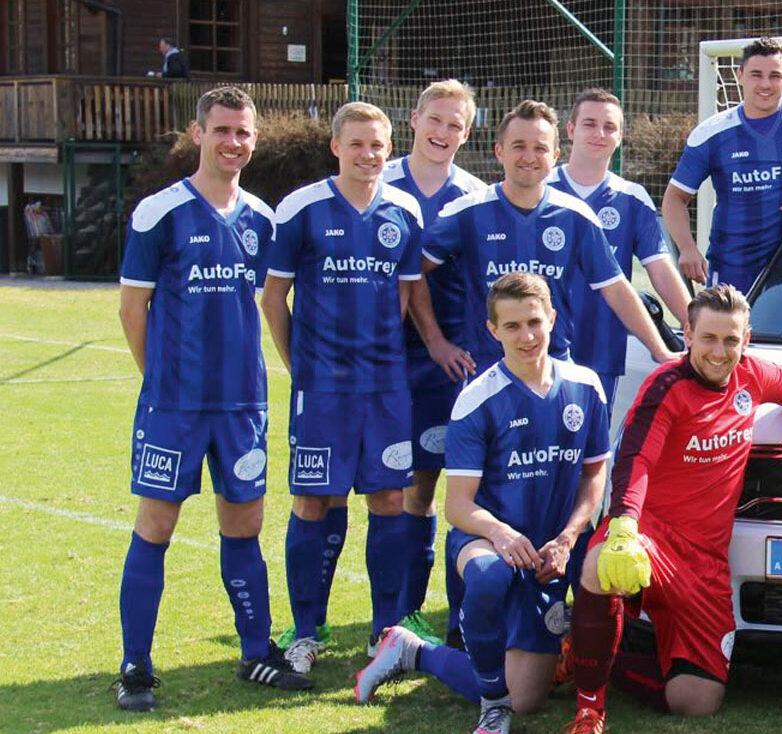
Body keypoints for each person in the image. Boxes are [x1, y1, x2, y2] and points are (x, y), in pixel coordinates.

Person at [112, 86, 307, 711]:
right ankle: (136, 666)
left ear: (254, 139)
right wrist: (158, 380)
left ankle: (255, 652)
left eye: (243, 132)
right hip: (174, 406)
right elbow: (132, 309)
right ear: (198, 133)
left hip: (242, 404)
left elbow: (272, 301)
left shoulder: (262, 219)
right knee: (156, 526)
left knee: (244, 525)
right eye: (222, 130)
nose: (233, 142)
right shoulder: (160, 213)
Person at [561, 284, 782, 733]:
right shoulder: (666, 387)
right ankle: (590, 710)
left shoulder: (752, 375)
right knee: (599, 563)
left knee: (697, 701)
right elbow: (635, 460)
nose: (719, 352)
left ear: (746, 340)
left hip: (706, 562)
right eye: (708, 338)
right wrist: (624, 528)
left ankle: (586, 653)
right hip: (652, 536)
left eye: (730, 340)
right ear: (687, 335)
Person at [354, 273, 612, 734]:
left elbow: (594, 475)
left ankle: (412, 650)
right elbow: (458, 507)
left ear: (552, 319)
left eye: (534, 322)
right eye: (512, 326)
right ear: (493, 331)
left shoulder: (585, 387)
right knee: (491, 576)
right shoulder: (477, 400)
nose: (527, 336)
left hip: (554, 547)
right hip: (487, 540)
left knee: (527, 699)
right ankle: (492, 706)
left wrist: (569, 537)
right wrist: (502, 534)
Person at [261, 101, 425, 672]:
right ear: (335, 147)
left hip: (385, 389)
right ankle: (306, 632)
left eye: (377, 144)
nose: (367, 154)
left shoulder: (404, 210)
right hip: (323, 390)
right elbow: (273, 299)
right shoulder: (301, 208)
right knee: (312, 500)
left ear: (390, 148)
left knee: (389, 499)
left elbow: (403, 294)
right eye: (356, 143)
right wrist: (299, 367)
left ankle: (385, 632)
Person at [420, 100, 676, 379]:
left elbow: (615, 288)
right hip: (486, 369)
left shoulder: (576, 216)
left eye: (540, 148)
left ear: (555, 156)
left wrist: (661, 351)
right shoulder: (466, 211)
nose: (529, 157)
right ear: (499, 151)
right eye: (519, 146)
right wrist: (435, 341)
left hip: (554, 370)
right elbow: (412, 273)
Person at [384, 78, 490, 650]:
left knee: (455, 490)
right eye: (436, 119)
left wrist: (446, 344)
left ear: (467, 135)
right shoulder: (379, 183)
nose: (443, 132)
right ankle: (401, 612)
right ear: (414, 119)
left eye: (456, 125)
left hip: (457, 364)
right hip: (390, 363)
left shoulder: (475, 195)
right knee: (399, 490)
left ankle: (458, 619)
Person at [665, 36, 782, 290]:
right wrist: (687, 248)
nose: (765, 84)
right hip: (732, 267)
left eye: (775, 76)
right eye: (756, 75)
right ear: (740, 76)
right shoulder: (711, 134)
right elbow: (674, 198)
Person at [549, 87, 695, 398]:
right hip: (539, 348)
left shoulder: (632, 198)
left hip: (602, 348)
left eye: (609, 127)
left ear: (620, 136)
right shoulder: (541, 191)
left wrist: (696, 325)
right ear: (570, 130)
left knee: (594, 430)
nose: (599, 134)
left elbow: (661, 270)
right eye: (589, 124)